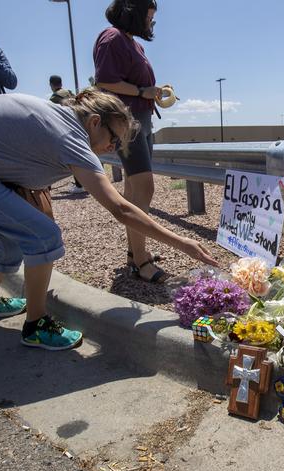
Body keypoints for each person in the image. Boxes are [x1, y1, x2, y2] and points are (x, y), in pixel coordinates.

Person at [0, 88, 218, 351]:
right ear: (95, 121)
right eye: (113, 139)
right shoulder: (70, 137)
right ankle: (36, 326)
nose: (113, 148)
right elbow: (120, 209)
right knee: (42, 236)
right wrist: (182, 243)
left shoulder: (61, 119)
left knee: (5, 243)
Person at [93, 0, 166, 283]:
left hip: (140, 120)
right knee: (144, 189)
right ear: (133, 15)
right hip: (127, 122)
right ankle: (141, 259)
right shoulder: (112, 38)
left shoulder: (131, 42)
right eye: (149, 18)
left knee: (135, 191)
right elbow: (105, 81)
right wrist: (142, 91)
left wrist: (151, 93)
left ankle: (134, 252)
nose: (150, 24)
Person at [48, 74, 83, 194]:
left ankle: (80, 186)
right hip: (79, 126)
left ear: (51, 85)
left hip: (66, 129)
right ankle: (83, 184)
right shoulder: (70, 92)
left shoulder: (54, 98)